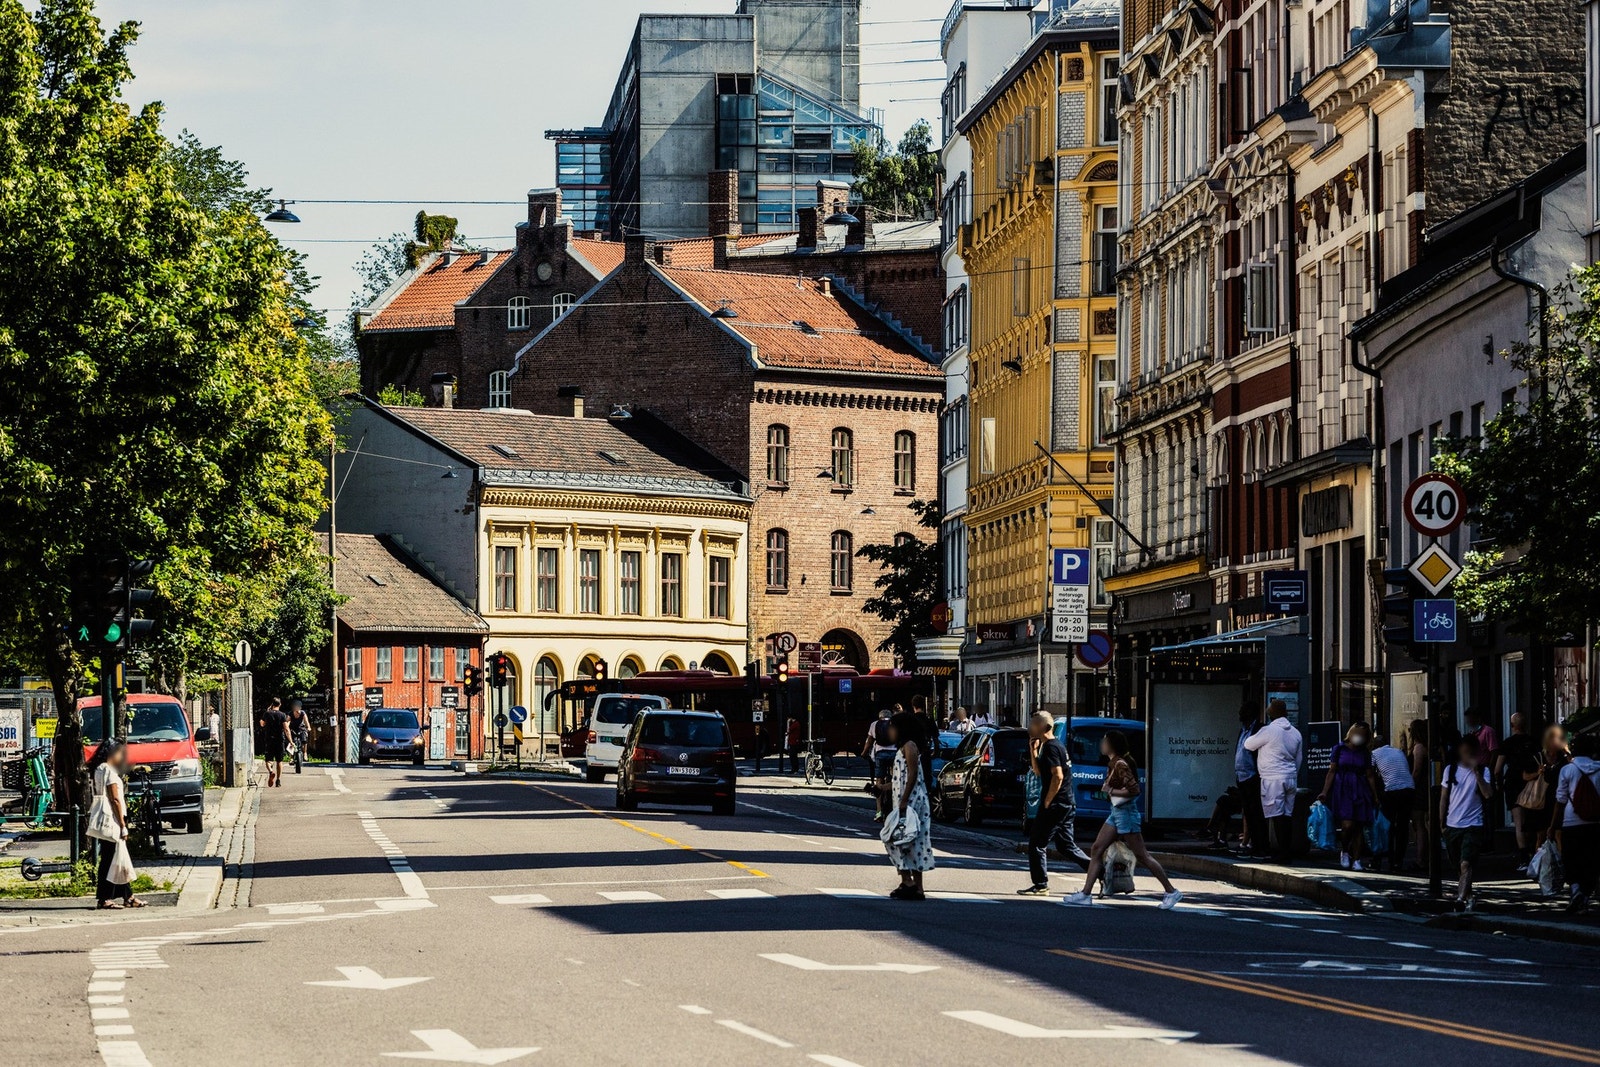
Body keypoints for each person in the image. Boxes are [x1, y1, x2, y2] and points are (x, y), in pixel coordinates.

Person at [1064, 730, 1181, 909]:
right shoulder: (1114, 763)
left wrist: (1111, 791)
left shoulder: (1120, 764)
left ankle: (1171, 891)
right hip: (1116, 812)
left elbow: (1134, 790)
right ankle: (1085, 894)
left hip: (1126, 814)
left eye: (1104, 741)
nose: (1101, 744)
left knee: (1142, 855)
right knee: (1096, 849)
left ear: (1112, 744)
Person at [1017, 712, 1085, 895]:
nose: (1030, 726)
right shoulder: (1050, 746)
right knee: (1066, 846)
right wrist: (1033, 752)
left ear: (1044, 727)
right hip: (1066, 803)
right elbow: (1039, 772)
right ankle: (1101, 872)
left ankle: (1040, 884)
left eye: (1033, 723)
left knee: (1037, 844)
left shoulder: (1052, 748)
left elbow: (1058, 776)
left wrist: (1047, 801)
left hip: (1056, 804)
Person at [1244, 699, 1304, 861]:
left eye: (1269, 709)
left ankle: (1282, 853)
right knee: (1287, 815)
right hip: (1290, 777)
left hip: (1272, 777)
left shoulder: (1269, 730)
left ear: (1273, 713)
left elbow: (1248, 744)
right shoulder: (1296, 732)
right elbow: (1299, 759)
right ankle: (1286, 850)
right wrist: (1292, 773)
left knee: (1276, 815)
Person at [1440, 735, 1495, 911]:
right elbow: (1443, 797)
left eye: (1470, 753)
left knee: (1466, 863)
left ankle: (1460, 900)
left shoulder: (1484, 771)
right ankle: (1469, 896)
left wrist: (1477, 774)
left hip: (1473, 824)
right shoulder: (1450, 770)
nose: (1467, 757)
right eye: (1464, 753)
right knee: (1459, 865)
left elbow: (1488, 794)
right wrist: (1442, 822)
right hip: (1452, 823)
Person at [883, 711, 933, 900]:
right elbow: (900, 779)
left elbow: (912, 775)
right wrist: (882, 787)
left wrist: (904, 801)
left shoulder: (909, 746)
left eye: (892, 728)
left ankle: (908, 881)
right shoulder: (905, 747)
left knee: (896, 839)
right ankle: (917, 887)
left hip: (912, 803)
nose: (890, 732)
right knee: (913, 842)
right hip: (907, 801)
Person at [89, 740, 144, 910]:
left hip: (107, 818)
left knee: (117, 857)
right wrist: (122, 824)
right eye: (120, 753)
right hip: (112, 819)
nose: (121, 757)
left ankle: (128, 896)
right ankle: (104, 898)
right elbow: (115, 799)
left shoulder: (99, 769)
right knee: (110, 859)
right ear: (112, 753)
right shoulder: (109, 771)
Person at [1318, 722, 1381, 870]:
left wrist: (1375, 795)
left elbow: (1370, 775)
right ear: (1351, 733)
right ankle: (1345, 850)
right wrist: (1325, 791)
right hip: (1343, 788)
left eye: (1362, 735)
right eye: (1357, 733)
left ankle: (1357, 859)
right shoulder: (1339, 749)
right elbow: (1332, 771)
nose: (1358, 737)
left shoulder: (1365, 752)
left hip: (1360, 788)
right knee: (1347, 824)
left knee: (1359, 825)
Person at [1552, 732, 1600, 912]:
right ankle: (1586, 896)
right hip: (1595, 821)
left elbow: (1560, 800)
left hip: (1571, 821)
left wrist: (1553, 825)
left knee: (1571, 858)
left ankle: (1575, 890)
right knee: (1592, 860)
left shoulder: (1567, 770)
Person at [1498, 712, 1540, 867]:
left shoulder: (1507, 743)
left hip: (1513, 784)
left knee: (1519, 822)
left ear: (1512, 725)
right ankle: (1533, 852)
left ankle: (1523, 857)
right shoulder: (1534, 742)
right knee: (1531, 820)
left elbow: (1498, 768)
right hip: (1532, 783)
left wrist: (1498, 783)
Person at [1370, 731, 1414, 872]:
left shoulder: (1374, 754)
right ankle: (1398, 861)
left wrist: (1375, 795)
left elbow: (1370, 774)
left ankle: (1384, 857)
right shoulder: (1398, 752)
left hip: (1391, 790)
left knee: (1386, 825)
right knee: (1402, 827)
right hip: (1408, 788)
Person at [1233, 703, 1268, 856]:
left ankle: (1261, 846)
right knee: (1248, 812)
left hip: (1253, 776)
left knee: (1256, 813)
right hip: (1242, 776)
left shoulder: (1259, 729)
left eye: (1243, 711)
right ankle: (1254, 844)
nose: (1240, 714)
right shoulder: (1243, 730)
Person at [1531, 725, 1572, 850]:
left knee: (1558, 834)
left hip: (1558, 798)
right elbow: (1525, 775)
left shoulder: (1563, 758)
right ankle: (1538, 864)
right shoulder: (1539, 757)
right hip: (1542, 799)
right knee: (1541, 835)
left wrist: (1567, 751)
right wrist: (1537, 773)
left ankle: (1560, 864)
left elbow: (1574, 767)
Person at [860, 709, 896, 821]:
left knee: (879, 779)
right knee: (895, 779)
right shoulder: (894, 724)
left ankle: (879, 811)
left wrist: (864, 753)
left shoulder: (874, 724)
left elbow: (869, 741)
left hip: (880, 754)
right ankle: (895, 808)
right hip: (894, 754)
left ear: (880, 717)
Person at [1406, 719, 1431, 870]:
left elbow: (1416, 770)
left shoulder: (1418, 748)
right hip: (1424, 787)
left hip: (1419, 789)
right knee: (1423, 823)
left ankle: (1421, 859)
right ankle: (1424, 857)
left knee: (1419, 823)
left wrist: (1410, 785)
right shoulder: (1426, 746)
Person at [257, 698, 290, 787]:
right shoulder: (282, 715)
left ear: (272, 704)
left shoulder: (267, 713)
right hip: (279, 739)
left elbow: (262, 724)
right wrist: (290, 741)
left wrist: (267, 712)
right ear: (280, 704)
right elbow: (286, 729)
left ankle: (271, 771)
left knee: (268, 760)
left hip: (269, 739)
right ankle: (278, 780)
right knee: (279, 761)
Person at [287, 698, 310, 773]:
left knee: (304, 739)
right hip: (293, 729)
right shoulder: (290, 714)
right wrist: (286, 728)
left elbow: (306, 721)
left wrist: (308, 727)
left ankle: (305, 753)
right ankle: (291, 758)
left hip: (301, 729)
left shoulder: (303, 713)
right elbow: (287, 722)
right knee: (291, 742)